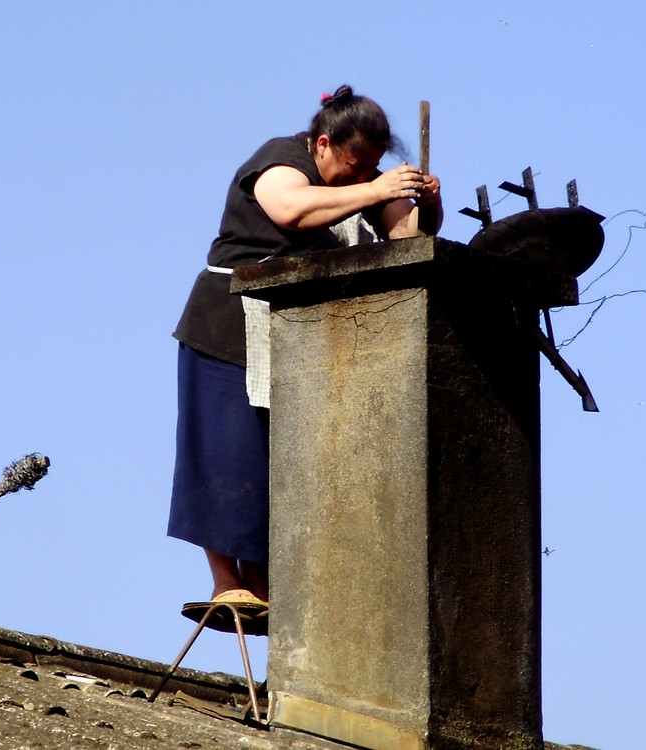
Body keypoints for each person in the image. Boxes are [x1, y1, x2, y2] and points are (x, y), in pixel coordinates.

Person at [168, 85, 442, 612]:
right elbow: (291, 210)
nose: (362, 177)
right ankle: (227, 581)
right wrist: (378, 189)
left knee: (284, 464)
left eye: (372, 168)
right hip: (226, 330)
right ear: (321, 145)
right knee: (228, 455)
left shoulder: (366, 185)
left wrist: (425, 203)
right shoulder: (280, 160)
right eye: (353, 164)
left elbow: (408, 239)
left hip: (307, 340)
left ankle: (267, 583)